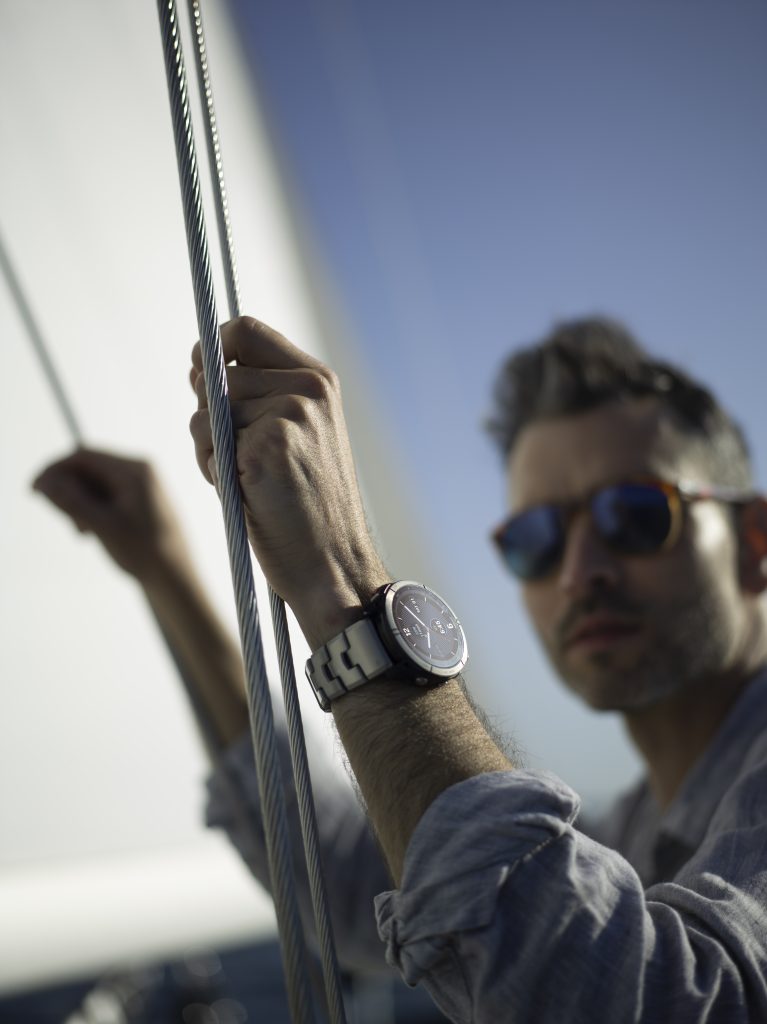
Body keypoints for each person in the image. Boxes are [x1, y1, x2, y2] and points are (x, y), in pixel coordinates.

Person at [36, 313, 767, 1022]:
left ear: (754, 541)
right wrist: (163, 570)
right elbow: (347, 882)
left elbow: (622, 996)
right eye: (536, 537)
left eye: (635, 514)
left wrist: (345, 584)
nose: (579, 572)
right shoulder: (643, 825)